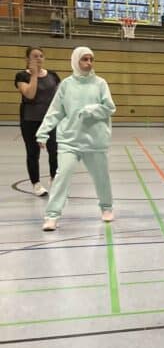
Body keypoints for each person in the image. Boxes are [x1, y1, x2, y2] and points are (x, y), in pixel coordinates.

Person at [36, 47, 116, 231]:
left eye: (91, 59)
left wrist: (92, 110)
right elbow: (55, 111)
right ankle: (52, 215)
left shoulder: (100, 83)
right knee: (61, 177)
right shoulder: (66, 85)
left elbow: (110, 108)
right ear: (75, 61)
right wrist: (43, 132)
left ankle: (106, 207)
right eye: (84, 59)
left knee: (101, 177)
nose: (89, 63)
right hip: (69, 140)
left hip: (95, 141)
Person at [15, 47, 61, 197]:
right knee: (33, 153)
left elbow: (60, 96)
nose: (38, 59)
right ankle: (36, 184)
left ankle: (54, 179)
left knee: (54, 150)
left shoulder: (53, 75)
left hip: (50, 120)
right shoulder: (22, 76)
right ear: (27, 59)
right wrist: (34, 75)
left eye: (41, 56)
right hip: (30, 120)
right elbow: (30, 94)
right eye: (35, 56)